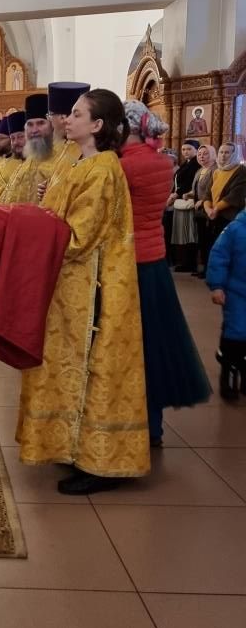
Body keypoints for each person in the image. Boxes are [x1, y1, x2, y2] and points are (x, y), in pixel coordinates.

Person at [16, 89, 150, 495]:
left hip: (92, 288)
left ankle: (99, 462)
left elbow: (77, 237)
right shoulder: (78, 161)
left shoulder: (103, 169)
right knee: (68, 368)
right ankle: (71, 447)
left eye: (76, 114)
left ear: (97, 125)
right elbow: (62, 211)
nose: (65, 120)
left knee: (92, 369)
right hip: (68, 286)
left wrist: (28, 229)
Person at [120, 100, 210, 444]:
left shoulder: (123, 165)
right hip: (155, 260)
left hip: (130, 261)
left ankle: (130, 424)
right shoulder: (161, 161)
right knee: (155, 344)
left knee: (131, 345)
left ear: (125, 128)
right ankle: (153, 426)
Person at [207, 207, 246, 399]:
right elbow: (218, 257)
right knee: (235, 332)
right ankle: (228, 371)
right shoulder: (234, 229)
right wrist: (217, 286)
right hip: (236, 293)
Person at [200, 142, 246, 245]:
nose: (223, 155)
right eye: (221, 152)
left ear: (234, 154)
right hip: (213, 216)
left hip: (229, 216)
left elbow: (235, 195)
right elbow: (207, 193)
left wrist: (216, 209)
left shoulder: (241, 170)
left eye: (227, 152)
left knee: (225, 246)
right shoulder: (217, 171)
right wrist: (208, 209)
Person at [168, 140, 200, 272]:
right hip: (180, 201)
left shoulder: (196, 164)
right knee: (183, 233)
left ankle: (190, 263)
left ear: (196, 150)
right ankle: (185, 261)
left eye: (189, 149)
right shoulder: (186, 163)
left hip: (188, 201)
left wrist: (176, 194)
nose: (186, 152)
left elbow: (189, 183)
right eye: (183, 149)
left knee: (189, 233)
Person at [191, 144, 218, 277]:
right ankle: (204, 267)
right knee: (202, 241)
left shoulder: (215, 170)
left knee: (209, 241)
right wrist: (190, 194)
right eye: (199, 154)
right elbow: (197, 189)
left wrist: (203, 201)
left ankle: (209, 269)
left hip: (209, 211)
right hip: (199, 212)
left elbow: (215, 191)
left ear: (212, 155)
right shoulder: (200, 170)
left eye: (205, 154)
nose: (201, 156)